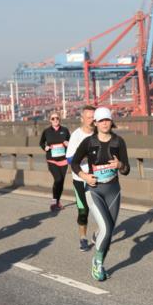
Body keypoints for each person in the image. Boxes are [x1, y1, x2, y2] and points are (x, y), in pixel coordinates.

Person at [70, 107, 129, 282]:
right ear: (95, 123)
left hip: (113, 190)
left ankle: (100, 260)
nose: (104, 123)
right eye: (101, 120)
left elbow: (126, 169)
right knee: (107, 228)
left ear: (111, 122)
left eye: (107, 120)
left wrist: (119, 166)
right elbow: (74, 163)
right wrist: (84, 176)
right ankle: (96, 262)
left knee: (109, 231)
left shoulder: (119, 142)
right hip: (94, 190)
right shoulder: (89, 142)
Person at [67, 105, 96, 251]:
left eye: (93, 117)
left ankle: (97, 233)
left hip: (98, 177)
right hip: (80, 178)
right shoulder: (76, 135)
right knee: (83, 210)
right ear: (82, 119)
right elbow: (70, 159)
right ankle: (83, 238)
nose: (92, 120)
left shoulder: (100, 133)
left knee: (101, 209)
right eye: (89, 117)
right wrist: (86, 154)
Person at [39, 112, 71, 212]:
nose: (55, 120)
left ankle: (57, 202)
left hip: (64, 160)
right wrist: (45, 147)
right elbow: (41, 143)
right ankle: (54, 201)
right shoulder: (46, 131)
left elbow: (71, 143)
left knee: (61, 182)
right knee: (58, 179)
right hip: (52, 160)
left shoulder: (65, 130)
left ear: (60, 119)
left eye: (57, 118)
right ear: (50, 120)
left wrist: (68, 143)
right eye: (53, 118)